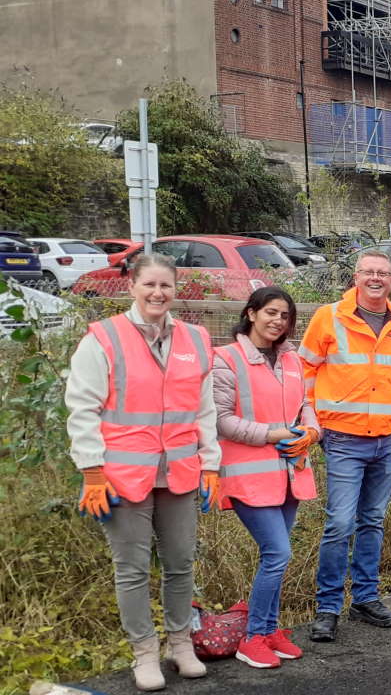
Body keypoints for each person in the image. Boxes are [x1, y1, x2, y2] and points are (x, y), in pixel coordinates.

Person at [65, 253, 221, 691]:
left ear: (176, 290)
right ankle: (144, 652)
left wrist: (210, 465)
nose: (158, 293)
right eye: (149, 285)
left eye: (166, 286)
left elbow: (203, 410)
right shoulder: (104, 338)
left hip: (179, 471)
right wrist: (91, 470)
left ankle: (180, 644)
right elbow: (82, 408)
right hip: (122, 476)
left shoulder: (194, 339)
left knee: (180, 563)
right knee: (131, 568)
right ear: (131, 286)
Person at [300, 250, 391, 643]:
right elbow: (303, 369)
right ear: (356, 277)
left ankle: (366, 598)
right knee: (339, 523)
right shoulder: (329, 317)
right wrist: (309, 420)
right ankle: (327, 608)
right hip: (342, 438)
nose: (376, 278)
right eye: (369, 272)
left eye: (383, 273)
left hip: (387, 441)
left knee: (372, 521)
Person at [211, 286, 319, 669]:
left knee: (276, 554)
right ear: (251, 313)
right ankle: (254, 637)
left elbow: (307, 406)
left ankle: (270, 629)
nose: (277, 321)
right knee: (278, 553)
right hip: (248, 476)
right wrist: (273, 434)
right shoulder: (226, 359)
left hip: (289, 473)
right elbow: (221, 420)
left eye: (284, 316)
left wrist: (311, 431)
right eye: (270, 312)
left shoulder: (292, 360)